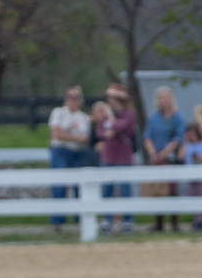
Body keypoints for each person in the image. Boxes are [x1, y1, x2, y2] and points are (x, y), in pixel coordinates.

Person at [143, 86, 186, 232]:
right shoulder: (153, 118)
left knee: (172, 190)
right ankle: (159, 223)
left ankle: (174, 223)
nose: (164, 101)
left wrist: (165, 152)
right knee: (158, 190)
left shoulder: (177, 118)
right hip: (157, 159)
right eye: (161, 98)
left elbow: (178, 138)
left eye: (166, 98)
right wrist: (153, 153)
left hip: (170, 158)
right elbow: (147, 137)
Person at [96, 82, 136, 234]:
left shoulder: (129, 114)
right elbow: (99, 131)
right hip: (108, 157)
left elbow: (121, 127)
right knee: (107, 190)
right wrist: (109, 127)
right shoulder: (107, 115)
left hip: (123, 158)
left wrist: (111, 123)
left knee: (125, 190)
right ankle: (107, 219)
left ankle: (127, 221)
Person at [48, 85, 89, 229]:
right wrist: (75, 137)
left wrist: (68, 136)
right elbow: (56, 134)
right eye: (71, 97)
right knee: (59, 185)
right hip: (60, 151)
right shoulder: (58, 113)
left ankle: (80, 220)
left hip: (77, 153)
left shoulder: (83, 117)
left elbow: (86, 139)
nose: (74, 100)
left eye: (77, 97)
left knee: (79, 186)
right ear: (66, 99)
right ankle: (57, 222)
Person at [179, 121, 202, 231]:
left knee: (200, 197)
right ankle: (198, 220)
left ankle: (201, 221)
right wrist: (185, 142)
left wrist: (201, 158)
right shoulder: (187, 146)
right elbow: (180, 157)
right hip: (190, 176)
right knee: (192, 198)